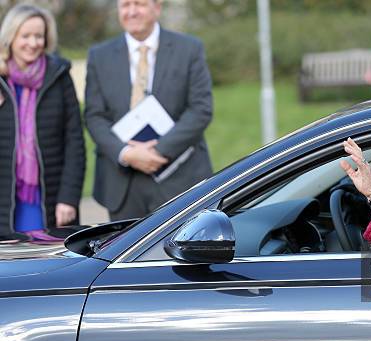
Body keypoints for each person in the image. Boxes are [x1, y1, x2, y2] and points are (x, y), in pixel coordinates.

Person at [85, 0, 214, 221]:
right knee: (124, 254)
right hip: (122, 182)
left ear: (157, 7)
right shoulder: (99, 56)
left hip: (178, 176)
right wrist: (127, 154)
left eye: (140, 4)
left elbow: (201, 108)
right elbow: (94, 116)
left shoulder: (189, 49)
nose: (132, 11)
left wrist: (158, 150)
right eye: (125, 5)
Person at [0, 4, 84, 236]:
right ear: (11, 37)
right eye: (25, 35)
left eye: (39, 36)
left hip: (49, 199)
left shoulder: (59, 76)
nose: (33, 43)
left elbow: (75, 141)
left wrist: (68, 198)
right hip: (6, 201)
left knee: (46, 265)